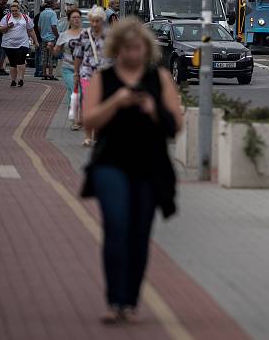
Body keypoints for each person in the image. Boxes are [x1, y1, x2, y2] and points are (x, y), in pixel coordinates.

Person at [80, 18, 182, 323]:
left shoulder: (159, 78)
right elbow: (89, 121)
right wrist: (117, 101)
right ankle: (114, 301)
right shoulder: (105, 78)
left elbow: (175, 124)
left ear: (146, 49)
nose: (132, 54)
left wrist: (154, 110)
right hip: (111, 163)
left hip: (150, 166)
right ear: (117, 49)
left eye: (137, 48)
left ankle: (131, 301)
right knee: (116, 227)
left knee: (139, 234)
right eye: (126, 48)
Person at [74, 6, 110, 146]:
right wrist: (76, 73)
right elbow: (78, 55)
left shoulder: (110, 35)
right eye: (92, 21)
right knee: (89, 104)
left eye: (97, 21)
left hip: (105, 75)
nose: (94, 24)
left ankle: (98, 133)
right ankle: (88, 136)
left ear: (102, 20)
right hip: (87, 74)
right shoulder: (84, 34)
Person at [53, 8, 84, 129]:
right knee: (77, 92)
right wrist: (51, 48)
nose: (76, 20)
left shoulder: (86, 34)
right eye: (73, 18)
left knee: (74, 93)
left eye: (78, 17)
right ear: (69, 20)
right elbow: (56, 53)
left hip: (83, 69)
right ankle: (76, 120)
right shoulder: (64, 35)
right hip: (68, 68)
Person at [0, 1, 39, 87]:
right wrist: (8, 26)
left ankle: (20, 79)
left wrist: (35, 41)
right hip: (8, 44)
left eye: (16, 11)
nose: (14, 13)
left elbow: (31, 30)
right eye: (12, 11)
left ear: (19, 10)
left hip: (22, 43)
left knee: (21, 60)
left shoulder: (25, 17)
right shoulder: (7, 17)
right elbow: (0, 29)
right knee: (13, 63)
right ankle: (13, 80)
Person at [38, 0, 60, 80]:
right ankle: (50, 74)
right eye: (55, 3)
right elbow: (53, 26)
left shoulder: (42, 13)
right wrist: (57, 36)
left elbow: (39, 26)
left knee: (44, 56)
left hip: (43, 38)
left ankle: (44, 74)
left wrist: (42, 34)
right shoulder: (53, 13)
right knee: (51, 57)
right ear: (52, 5)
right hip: (51, 38)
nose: (56, 4)